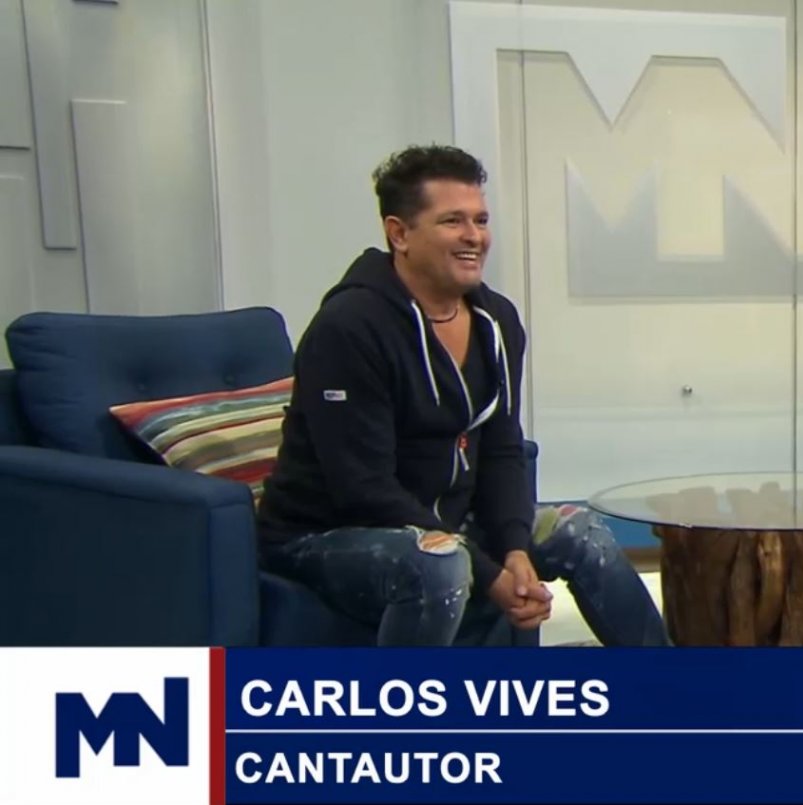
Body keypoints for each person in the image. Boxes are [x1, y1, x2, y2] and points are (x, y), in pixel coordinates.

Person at [256, 144, 669, 647]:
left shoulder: (497, 320)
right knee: (440, 564)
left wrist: (515, 549)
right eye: (452, 221)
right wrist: (491, 575)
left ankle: (672, 682)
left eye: (480, 219)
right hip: (327, 534)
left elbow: (502, 449)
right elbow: (361, 487)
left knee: (579, 531)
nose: (474, 236)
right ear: (399, 234)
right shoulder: (348, 328)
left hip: (450, 526)